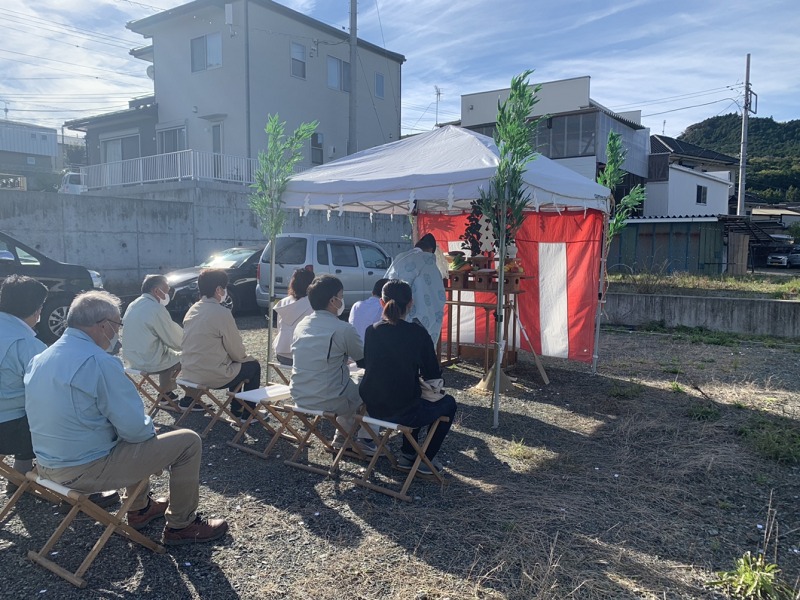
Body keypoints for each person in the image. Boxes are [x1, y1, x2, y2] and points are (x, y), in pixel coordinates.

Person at [24, 290, 228, 545]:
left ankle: (140, 508)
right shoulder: (98, 361)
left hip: (46, 466)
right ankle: (181, 524)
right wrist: (147, 435)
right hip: (83, 470)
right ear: (104, 326)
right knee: (187, 441)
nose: (117, 333)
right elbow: (136, 429)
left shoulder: (40, 358)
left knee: (126, 435)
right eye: (118, 325)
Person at [359, 279, 457, 474]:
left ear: (382, 302)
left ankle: (408, 454)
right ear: (411, 303)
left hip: (373, 407)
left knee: (412, 394)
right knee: (448, 403)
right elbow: (433, 374)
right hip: (404, 410)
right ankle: (425, 459)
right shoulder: (417, 333)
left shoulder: (372, 331)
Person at [290, 275, 375, 455]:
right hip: (329, 398)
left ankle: (342, 437)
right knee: (369, 387)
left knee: (347, 382)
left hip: (300, 394)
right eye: (341, 296)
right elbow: (365, 361)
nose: (342, 300)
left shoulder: (301, 325)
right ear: (333, 300)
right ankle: (366, 439)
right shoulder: (342, 329)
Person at [181, 268, 261, 420]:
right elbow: (237, 351)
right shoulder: (222, 313)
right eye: (224, 288)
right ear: (218, 289)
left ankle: (236, 409)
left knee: (236, 364)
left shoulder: (192, 310)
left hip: (189, 372)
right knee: (252, 366)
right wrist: (246, 357)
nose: (225, 292)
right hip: (211, 376)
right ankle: (247, 413)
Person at [0, 275, 47, 488]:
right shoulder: (28, 345)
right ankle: (73, 483)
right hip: (10, 432)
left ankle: (19, 477)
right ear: (37, 310)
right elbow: (51, 392)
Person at [122, 274, 185, 408]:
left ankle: (166, 395)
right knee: (190, 356)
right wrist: (192, 344)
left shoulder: (134, 304)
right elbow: (175, 339)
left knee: (167, 352)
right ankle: (192, 399)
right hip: (149, 360)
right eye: (167, 290)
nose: (168, 294)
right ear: (156, 291)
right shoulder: (155, 308)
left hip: (132, 359)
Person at [384, 232, 446, 344]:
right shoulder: (427, 260)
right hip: (415, 316)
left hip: (391, 311)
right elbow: (437, 295)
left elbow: (385, 282)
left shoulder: (400, 257)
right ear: (431, 250)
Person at [272, 268, 315, 366]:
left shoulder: (283, 302)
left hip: (281, 353)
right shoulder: (313, 304)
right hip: (302, 355)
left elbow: (279, 328)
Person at [348, 278, 389, 342]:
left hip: (353, 347)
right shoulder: (384, 309)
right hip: (371, 349)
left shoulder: (356, 305)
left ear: (372, 293)